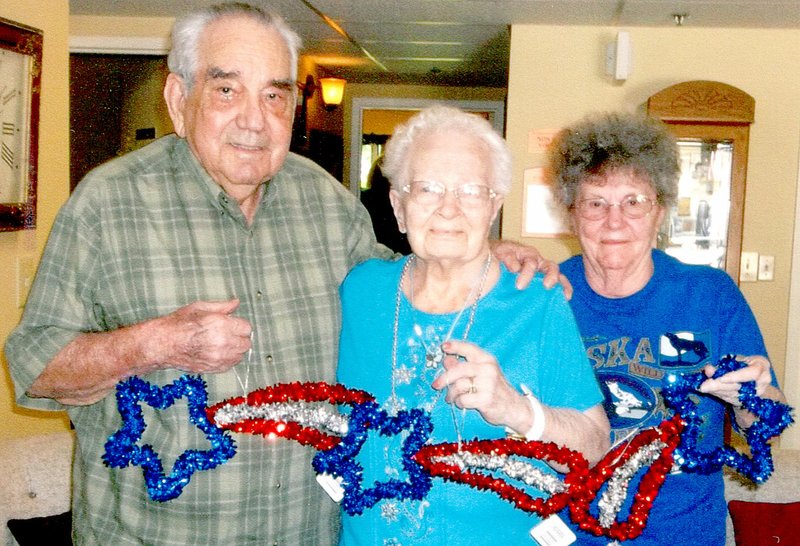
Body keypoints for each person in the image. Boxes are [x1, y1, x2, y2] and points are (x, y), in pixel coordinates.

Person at [4, 4, 556, 544]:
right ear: (179, 98)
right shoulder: (108, 202)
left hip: (308, 531)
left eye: (274, 94)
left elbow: (401, 284)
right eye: (226, 90)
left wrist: (479, 250)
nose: (254, 118)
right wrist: (156, 342)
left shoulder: (322, 197)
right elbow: (35, 364)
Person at [336, 105, 610, 545]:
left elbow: (595, 445)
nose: (448, 209)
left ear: (493, 205)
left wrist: (517, 410)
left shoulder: (536, 303)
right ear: (398, 206)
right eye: (427, 189)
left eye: (470, 190)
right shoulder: (362, 291)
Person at [546, 112, 787, 546]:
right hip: (568, 534)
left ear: (660, 211)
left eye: (634, 202)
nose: (614, 221)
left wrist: (752, 397)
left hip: (684, 535)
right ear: (571, 214)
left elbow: (768, 423)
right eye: (595, 202)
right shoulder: (545, 297)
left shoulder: (709, 294)